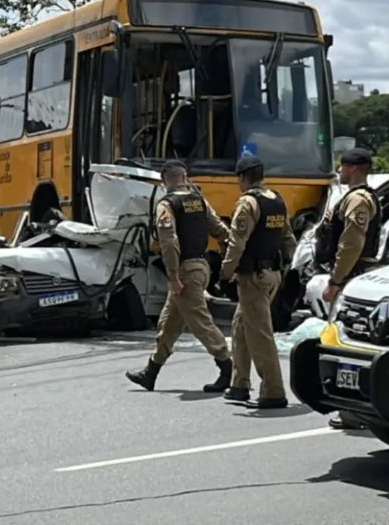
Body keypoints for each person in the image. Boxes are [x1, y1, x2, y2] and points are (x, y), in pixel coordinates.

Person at [125, 160, 234, 393]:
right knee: (168, 323)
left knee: (200, 322)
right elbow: (221, 231)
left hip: (185, 272)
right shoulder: (199, 201)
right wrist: (229, 260)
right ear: (185, 176)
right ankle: (150, 372)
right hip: (201, 266)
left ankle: (228, 370)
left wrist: (173, 276)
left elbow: (169, 241)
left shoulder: (167, 204)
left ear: (164, 180)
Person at [219, 155, 297, 410]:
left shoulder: (248, 204)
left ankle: (273, 391)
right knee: (241, 326)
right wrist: (288, 267)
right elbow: (288, 238)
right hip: (272, 274)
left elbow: (236, 242)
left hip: (253, 277)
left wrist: (225, 272)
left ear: (242, 178)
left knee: (260, 334)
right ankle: (239, 384)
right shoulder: (277, 200)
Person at [317, 147, 382, 430]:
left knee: (349, 343)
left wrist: (336, 281)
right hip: (352, 276)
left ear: (353, 169)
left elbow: (351, 244)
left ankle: (357, 411)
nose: (340, 171)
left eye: (342, 167)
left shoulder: (357, 200)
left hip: (352, 278)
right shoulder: (351, 198)